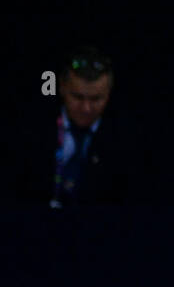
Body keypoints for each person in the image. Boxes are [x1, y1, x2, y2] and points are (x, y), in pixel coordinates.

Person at [5, 47, 144, 206]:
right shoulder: (30, 129)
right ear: (62, 88)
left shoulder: (126, 140)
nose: (86, 108)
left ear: (109, 93)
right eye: (78, 97)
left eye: (96, 99)